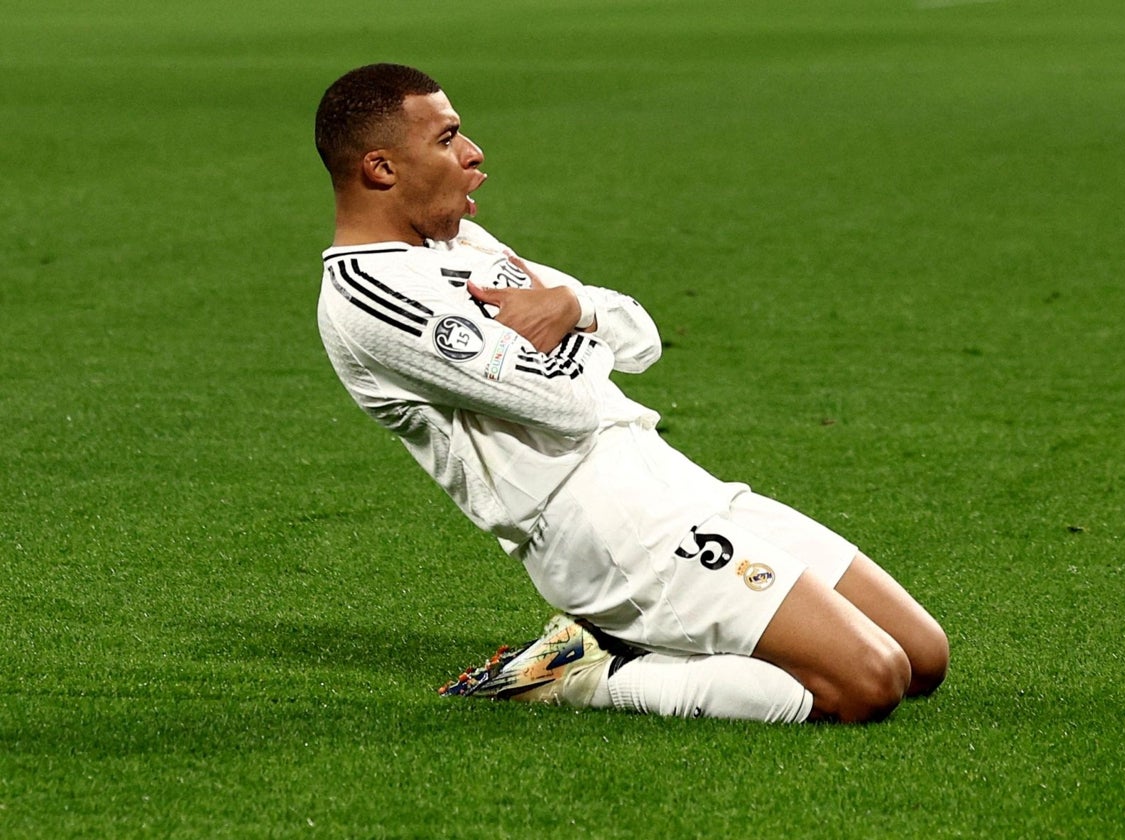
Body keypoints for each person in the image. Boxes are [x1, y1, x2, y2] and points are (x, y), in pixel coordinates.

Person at [314, 63, 948, 724]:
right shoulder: (369, 295)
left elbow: (638, 334)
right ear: (382, 169)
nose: (473, 154)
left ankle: (683, 640)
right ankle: (584, 673)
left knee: (922, 657)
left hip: (671, 483)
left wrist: (572, 306)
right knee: (870, 682)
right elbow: (569, 405)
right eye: (446, 139)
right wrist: (573, 329)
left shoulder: (464, 243)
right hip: (607, 529)